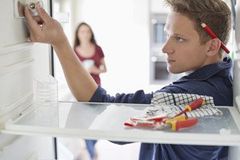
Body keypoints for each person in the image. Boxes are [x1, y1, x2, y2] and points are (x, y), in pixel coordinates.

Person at [24, 0, 232, 159]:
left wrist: (59, 41)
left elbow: (99, 105)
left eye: (179, 38)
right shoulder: (220, 80)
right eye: (168, 35)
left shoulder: (194, 96)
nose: (165, 48)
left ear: (212, 46)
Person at [73, 22, 107, 160]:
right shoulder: (74, 51)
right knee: (86, 123)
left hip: (97, 89)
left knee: (98, 122)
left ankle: (91, 146)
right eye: (82, 31)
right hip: (80, 91)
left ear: (91, 33)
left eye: (87, 31)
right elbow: (72, 72)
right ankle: (92, 153)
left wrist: (95, 70)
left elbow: (105, 69)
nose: (85, 34)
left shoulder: (97, 49)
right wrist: (82, 71)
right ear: (77, 34)